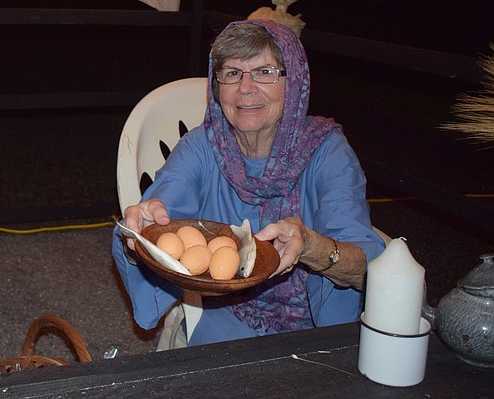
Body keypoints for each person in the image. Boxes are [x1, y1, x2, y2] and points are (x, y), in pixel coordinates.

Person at [113, 18, 385, 346]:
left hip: (315, 324)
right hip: (227, 311)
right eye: (232, 73)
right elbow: (164, 206)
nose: (245, 87)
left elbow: (366, 269)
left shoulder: (326, 152)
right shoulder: (203, 146)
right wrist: (141, 234)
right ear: (217, 89)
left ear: (294, 82)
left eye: (265, 71)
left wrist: (312, 245)